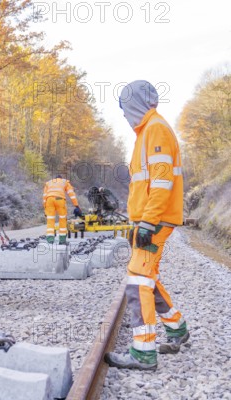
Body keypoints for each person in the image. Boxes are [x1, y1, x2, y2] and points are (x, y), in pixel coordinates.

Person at [105, 80, 188, 370]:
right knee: (147, 276)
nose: (125, 116)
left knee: (138, 281)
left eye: (126, 109)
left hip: (155, 221)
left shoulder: (155, 130)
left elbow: (162, 184)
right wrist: (137, 221)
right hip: (149, 220)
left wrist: (147, 223)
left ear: (136, 104)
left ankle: (143, 353)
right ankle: (177, 327)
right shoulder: (147, 132)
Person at [43, 175, 81, 245]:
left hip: (49, 200)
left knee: (50, 220)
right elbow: (71, 194)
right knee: (62, 219)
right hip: (59, 199)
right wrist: (76, 205)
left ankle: (50, 239)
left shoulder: (48, 183)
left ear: (55, 178)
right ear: (61, 178)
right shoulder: (64, 182)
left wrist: (45, 209)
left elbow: (44, 197)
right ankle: (62, 240)